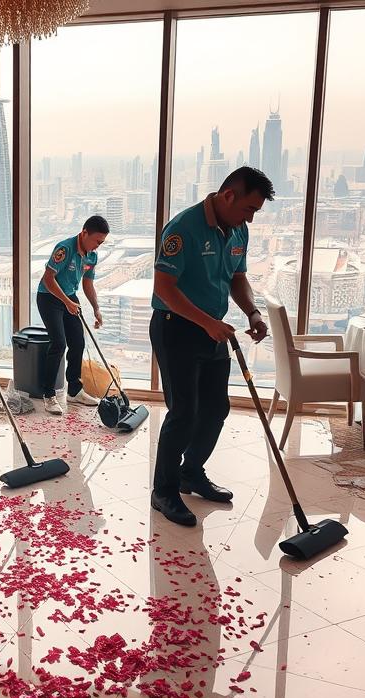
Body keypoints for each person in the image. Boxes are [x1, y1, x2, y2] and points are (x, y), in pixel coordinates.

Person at [149, 167, 272, 527]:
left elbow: (237, 276)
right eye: (248, 208)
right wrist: (206, 322)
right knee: (183, 412)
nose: (249, 218)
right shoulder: (184, 228)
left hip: (214, 330)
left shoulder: (238, 230)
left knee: (216, 408)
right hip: (177, 328)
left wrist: (252, 311)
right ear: (229, 195)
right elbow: (164, 288)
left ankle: (191, 473)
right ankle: (164, 491)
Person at [36, 215, 109, 415]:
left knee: (78, 342)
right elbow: (48, 279)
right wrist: (67, 302)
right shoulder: (65, 248)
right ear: (84, 233)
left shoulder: (91, 256)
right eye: (96, 241)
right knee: (59, 343)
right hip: (49, 297)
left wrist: (96, 308)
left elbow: (87, 283)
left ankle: (74, 391)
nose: (98, 246)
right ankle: (49, 394)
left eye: (101, 243)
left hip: (69, 297)